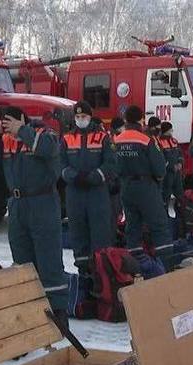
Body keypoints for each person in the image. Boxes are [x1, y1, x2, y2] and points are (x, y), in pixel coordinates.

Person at [0, 106, 68, 324]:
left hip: (42, 202)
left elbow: (50, 150)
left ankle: (59, 312)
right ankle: (30, 311)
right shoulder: (5, 138)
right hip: (17, 205)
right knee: (22, 261)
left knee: (49, 259)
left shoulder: (43, 134)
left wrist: (23, 130)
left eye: (11, 124)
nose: (9, 131)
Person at [58, 101, 117, 277]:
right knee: (78, 233)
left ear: (90, 117)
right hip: (75, 193)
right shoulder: (67, 138)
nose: (80, 119)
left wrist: (95, 176)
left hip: (96, 193)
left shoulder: (102, 137)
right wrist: (73, 176)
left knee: (100, 233)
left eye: (83, 116)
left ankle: (101, 275)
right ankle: (83, 273)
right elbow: (60, 163)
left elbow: (111, 163)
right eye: (77, 117)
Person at [116, 105, 171, 255]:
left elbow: (113, 167)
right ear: (141, 120)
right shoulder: (146, 140)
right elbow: (160, 168)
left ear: (126, 120)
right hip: (146, 187)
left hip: (126, 187)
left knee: (132, 227)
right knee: (159, 225)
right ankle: (167, 266)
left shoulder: (116, 140)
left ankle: (137, 264)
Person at [159, 121, 184, 210]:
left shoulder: (174, 141)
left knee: (179, 193)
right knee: (166, 193)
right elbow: (161, 159)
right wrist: (170, 166)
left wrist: (180, 163)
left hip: (177, 173)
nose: (172, 131)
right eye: (170, 129)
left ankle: (180, 212)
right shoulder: (160, 142)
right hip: (167, 173)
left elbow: (180, 153)